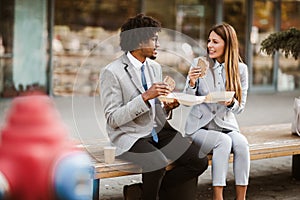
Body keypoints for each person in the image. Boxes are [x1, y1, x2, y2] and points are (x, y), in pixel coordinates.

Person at [100, 13, 208, 200]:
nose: (158, 44)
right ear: (139, 42)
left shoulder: (154, 67)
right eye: (154, 39)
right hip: (129, 136)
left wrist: (168, 106)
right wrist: (144, 97)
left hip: (159, 131)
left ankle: (141, 192)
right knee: (156, 162)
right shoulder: (112, 72)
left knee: (198, 161)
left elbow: (156, 109)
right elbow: (112, 119)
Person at [183, 23, 250, 200]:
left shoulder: (241, 70)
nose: (209, 45)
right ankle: (217, 197)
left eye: (215, 41)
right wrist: (191, 82)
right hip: (199, 128)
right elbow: (186, 100)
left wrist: (230, 102)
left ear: (227, 44)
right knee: (223, 142)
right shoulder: (199, 64)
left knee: (242, 144)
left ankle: (241, 197)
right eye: (208, 41)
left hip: (226, 125)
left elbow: (240, 108)